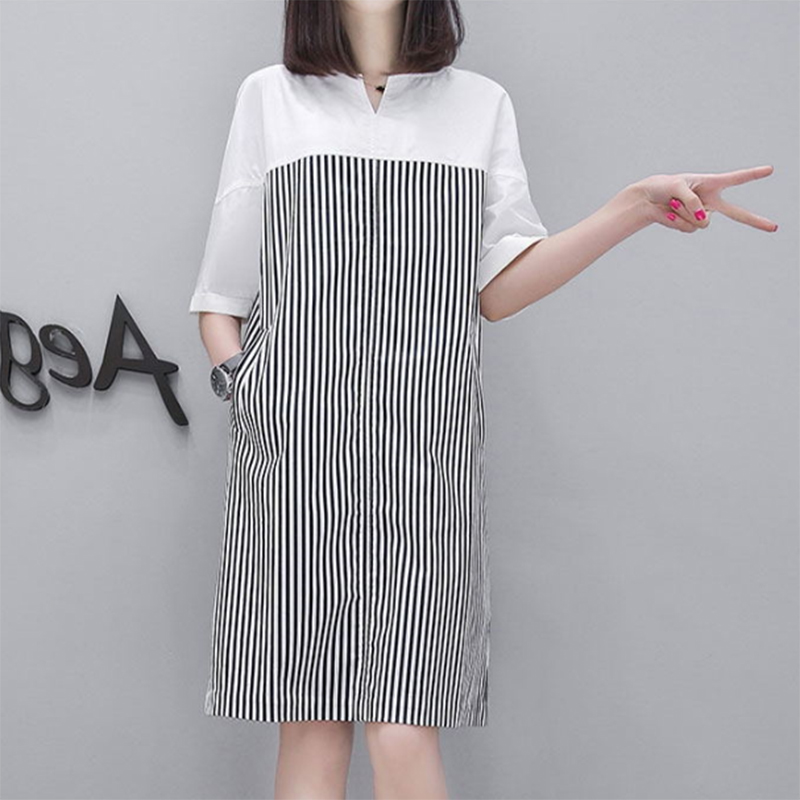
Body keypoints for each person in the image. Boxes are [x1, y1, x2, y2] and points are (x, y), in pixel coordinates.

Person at [188, 1, 778, 798]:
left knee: (404, 725)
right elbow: (221, 296)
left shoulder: (478, 106)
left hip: (425, 460)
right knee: (311, 722)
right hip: (292, 453)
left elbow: (497, 290)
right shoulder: (270, 98)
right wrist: (249, 392)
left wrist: (634, 208)